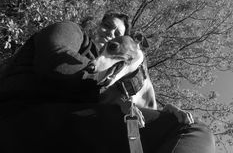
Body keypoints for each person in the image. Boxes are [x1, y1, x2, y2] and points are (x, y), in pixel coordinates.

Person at [0, 12, 215, 153]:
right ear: (97, 26)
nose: (110, 35)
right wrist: (114, 95)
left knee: (174, 128)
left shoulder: (114, 72)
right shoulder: (72, 31)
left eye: (118, 34)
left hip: (67, 126)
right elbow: (55, 62)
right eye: (107, 26)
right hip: (22, 116)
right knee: (190, 130)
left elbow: (137, 114)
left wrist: (163, 110)